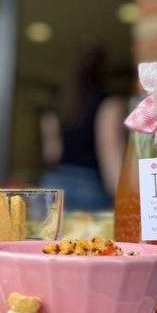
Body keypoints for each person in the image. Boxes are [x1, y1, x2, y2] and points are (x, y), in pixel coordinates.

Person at [38, 40, 123, 211]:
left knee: (53, 236)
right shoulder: (109, 104)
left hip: (54, 184)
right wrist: (121, 197)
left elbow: (52, 154)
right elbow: (110, 154)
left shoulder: (58, 106)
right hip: (89, 187)